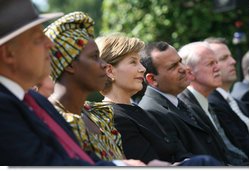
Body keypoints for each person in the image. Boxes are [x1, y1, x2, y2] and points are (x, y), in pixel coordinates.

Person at [0, 0, 142, 166]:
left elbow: (79, 156)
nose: (49, 44)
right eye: (38, 39)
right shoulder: (6, 106)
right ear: (8, 53)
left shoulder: (35, 100)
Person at [44, 11, 169, 167]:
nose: (104, 65)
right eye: (94, 57)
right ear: (69, 65)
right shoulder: (53, 120)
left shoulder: (100, 114)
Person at [95, 34, 223, 166]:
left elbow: (178, 152)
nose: (142, 69)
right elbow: (148, 164)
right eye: (133, 62)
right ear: (110, 71)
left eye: (140, 62)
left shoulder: (138, 110)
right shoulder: (115, 117)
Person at [138, 41, 228, 165]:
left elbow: (222, 150)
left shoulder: (184, 103)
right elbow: (182, 159)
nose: (184, 68)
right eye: (173, 66)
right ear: (152, 79)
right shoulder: (151, 113)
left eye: (180, 61)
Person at [178, 41, 248, 165]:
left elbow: (228, 148)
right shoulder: (186, 107)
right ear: (190, 73)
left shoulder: (204, 101)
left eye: (217, 62)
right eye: (210, 63)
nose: (217, 68)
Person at [205, 37, 249, 157]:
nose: (233, 61)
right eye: (224, 58)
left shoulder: (235, 102)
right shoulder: (211, 103)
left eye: (230, 56)